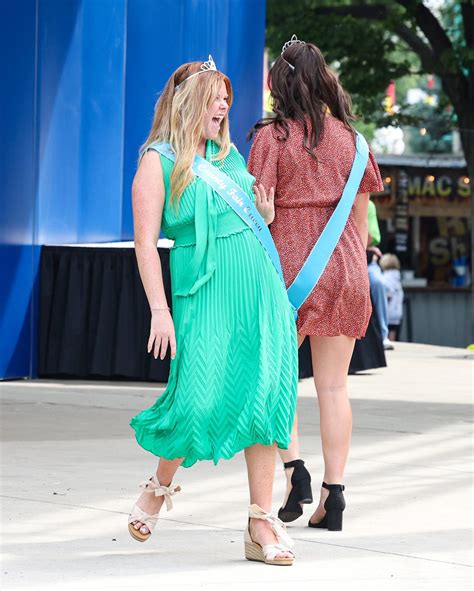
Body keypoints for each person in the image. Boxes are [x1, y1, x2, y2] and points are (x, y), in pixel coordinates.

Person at [128, 57, 298, 566]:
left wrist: (263, 216)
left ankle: (260, 522)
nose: (224, 104)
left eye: (226, 97)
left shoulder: (229, 157)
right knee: (198, 398)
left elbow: (243, 215)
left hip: (256, 287)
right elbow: (144, 245)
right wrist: (159, 310)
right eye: (214, 96)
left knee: (265, 396)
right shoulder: (156, 162)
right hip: (201, 293)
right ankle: (158, 487)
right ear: (187, 103)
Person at [247, 36, 384, 531]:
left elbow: (256, 210)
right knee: (333, 388)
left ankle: (294, 469)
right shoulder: (354, 140)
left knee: (279, 381)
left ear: (280, 83)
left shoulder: (271, 138)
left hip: (290, 272)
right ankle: (335, 493)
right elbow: (362, 219)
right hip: (346, 268)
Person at [367, 200, 394, 350]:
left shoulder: (369, 205)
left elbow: (371, 238)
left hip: (366, 260)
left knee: (378, 283)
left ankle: (383, 334)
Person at [380, 253, 404, 341]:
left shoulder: (385, 278)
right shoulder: (397, 277)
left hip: (388, 314)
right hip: (398, 313)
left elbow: (387, 296)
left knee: (388, 340)